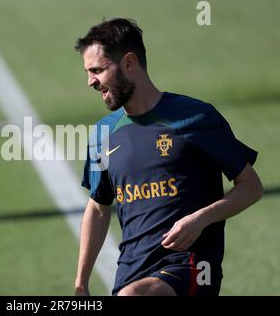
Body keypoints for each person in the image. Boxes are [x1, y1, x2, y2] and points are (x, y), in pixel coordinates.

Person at [74, 18, 263, 296]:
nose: (91, 81)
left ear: (129, 62)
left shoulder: (196, 116)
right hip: (131, 271)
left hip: (192, 268)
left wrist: (200, 219)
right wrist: (81, 283)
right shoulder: (104, 132)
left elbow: (251, 186)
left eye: (98, 70)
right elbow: (99, 207)